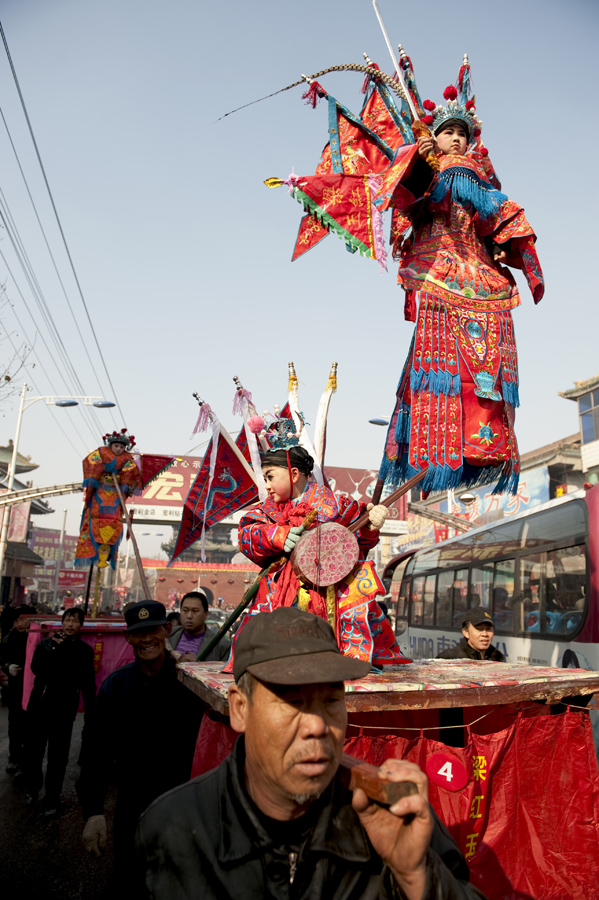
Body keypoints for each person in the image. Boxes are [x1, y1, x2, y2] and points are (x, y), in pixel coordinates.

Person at [136, 606, 485, 899]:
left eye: (332, 700)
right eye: (292, 702)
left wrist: (415, 876)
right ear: (240, 709)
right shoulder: (173, 827)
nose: (317, 726)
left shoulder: (392, 814)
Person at [377, 73, 543, 498]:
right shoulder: (431, 171)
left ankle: (477, 453)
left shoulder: (477, 180)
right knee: (436, 375)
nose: (455, 140)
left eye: (460, 134)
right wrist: (419, 156)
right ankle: (436, 460)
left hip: (482, 283)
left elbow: (498, 218)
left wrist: (504, 247)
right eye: (447, 132)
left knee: (485, 375)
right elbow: (405, 201)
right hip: (437, 275)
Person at [232, 444, 407, 667]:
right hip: (282, 595)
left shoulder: (337, 505)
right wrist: (278, 535)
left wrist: (371, 526)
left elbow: (360, 544)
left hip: (333, 591)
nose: (266, 486)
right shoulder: (266, 511)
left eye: (270, 477)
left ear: (293, 474)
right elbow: (246, 536)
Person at [78, 600, 204, 873]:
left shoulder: (191, 684)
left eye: (153, 630)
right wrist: (94, 812)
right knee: (129, 878)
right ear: (128, 638)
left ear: (168, 630)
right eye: (138, 632)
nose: (147, 639)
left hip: (181, 804)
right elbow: (94, 752)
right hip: (131, 805)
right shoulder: (116, 685)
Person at [24, 607, 96, 815]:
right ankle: (32, 790)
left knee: (58, 756)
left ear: (81, 625)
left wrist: (91, 708)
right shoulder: (46, 644)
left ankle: (52, 798)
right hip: (40, 706)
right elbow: (36, 668)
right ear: (62, 623)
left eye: (75, 621)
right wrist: (53, 649)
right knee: (34, 752)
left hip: (64, 709)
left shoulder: (84, 651)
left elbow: (88, 682)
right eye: (67, 620)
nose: (70, 625)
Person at [75, 429, 143, 570]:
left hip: (116, 495)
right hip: (99, 493)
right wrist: (99, 474)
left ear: (125, 448)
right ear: (110, 445)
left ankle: (106, 554)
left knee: (114, 519)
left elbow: (131, 473)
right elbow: (90, 463)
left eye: (121, 447)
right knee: (94, 517)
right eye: (116, 446)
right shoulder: (99, 453)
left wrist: (124, 483)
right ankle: (95, 551)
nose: (118, 449)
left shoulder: (128, 461)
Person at [1, 605, 33, 775]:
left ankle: (26, 762)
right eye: (16, 620)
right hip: (15, 689)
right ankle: (14, 758)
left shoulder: (38, 637)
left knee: (30, 726)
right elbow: (2, 659)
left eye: (23, 619)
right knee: (14, 725)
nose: (20, 624)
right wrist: (8, 667)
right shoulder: (8, 638)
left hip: (34, 689)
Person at [169, 591, 230, 662]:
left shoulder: (220, 644)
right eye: (185, 610)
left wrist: (199, 665)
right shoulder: (168, 635)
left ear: (206, 614)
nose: (189, 616)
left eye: (195, 611)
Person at [437, 608, 505, 661]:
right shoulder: (449, 658)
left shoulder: (498, 658)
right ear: (466, 632)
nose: (485, 634)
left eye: (488, 629)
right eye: (479, 629)